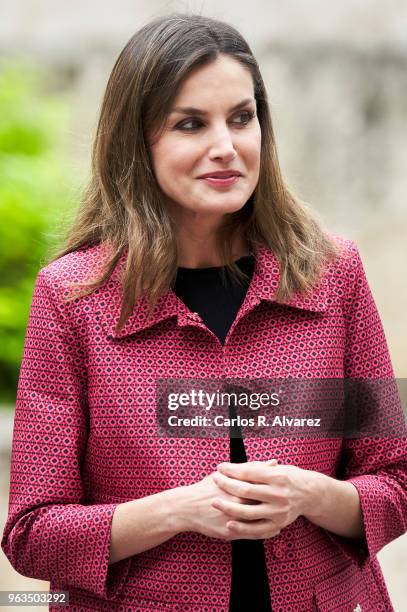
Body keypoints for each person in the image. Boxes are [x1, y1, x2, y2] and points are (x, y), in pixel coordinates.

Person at [1, 12, 406, 612]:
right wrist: (179, 511)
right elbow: (33, 536)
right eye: (191, 124)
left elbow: (395, 481)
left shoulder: (331, 275)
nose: (226, 147)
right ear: (137, 143)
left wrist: (310, 494)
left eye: (242, 118)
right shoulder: (74, 300)